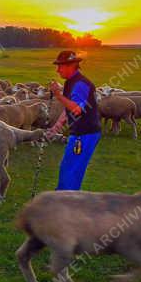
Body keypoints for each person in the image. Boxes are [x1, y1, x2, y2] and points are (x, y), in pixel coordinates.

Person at [45, 50, 102, 190]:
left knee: (73, 170)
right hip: (78, 133)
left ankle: (68, 201)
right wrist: (56, 128)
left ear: (72, 65)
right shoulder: (70, 83)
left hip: (86, 134)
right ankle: (63, 196)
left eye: (60, 66)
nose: (57, 70)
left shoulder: (80, 84)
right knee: (67, 166)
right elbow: (68, 109)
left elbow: (76, 109)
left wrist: (58, 95)